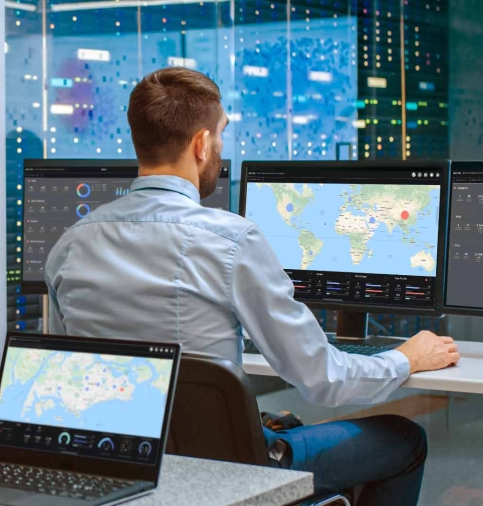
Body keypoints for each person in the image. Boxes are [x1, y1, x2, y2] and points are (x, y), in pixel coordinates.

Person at [45, 67, 461, 505]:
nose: (221, 148)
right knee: (403, 438)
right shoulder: (230, 241)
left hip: (123, 471)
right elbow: (324, 380)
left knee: (284, 421)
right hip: (227, 475)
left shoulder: (70, 245)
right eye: (221, 135)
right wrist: (406, 358)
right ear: (201, 144)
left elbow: (65, 371)